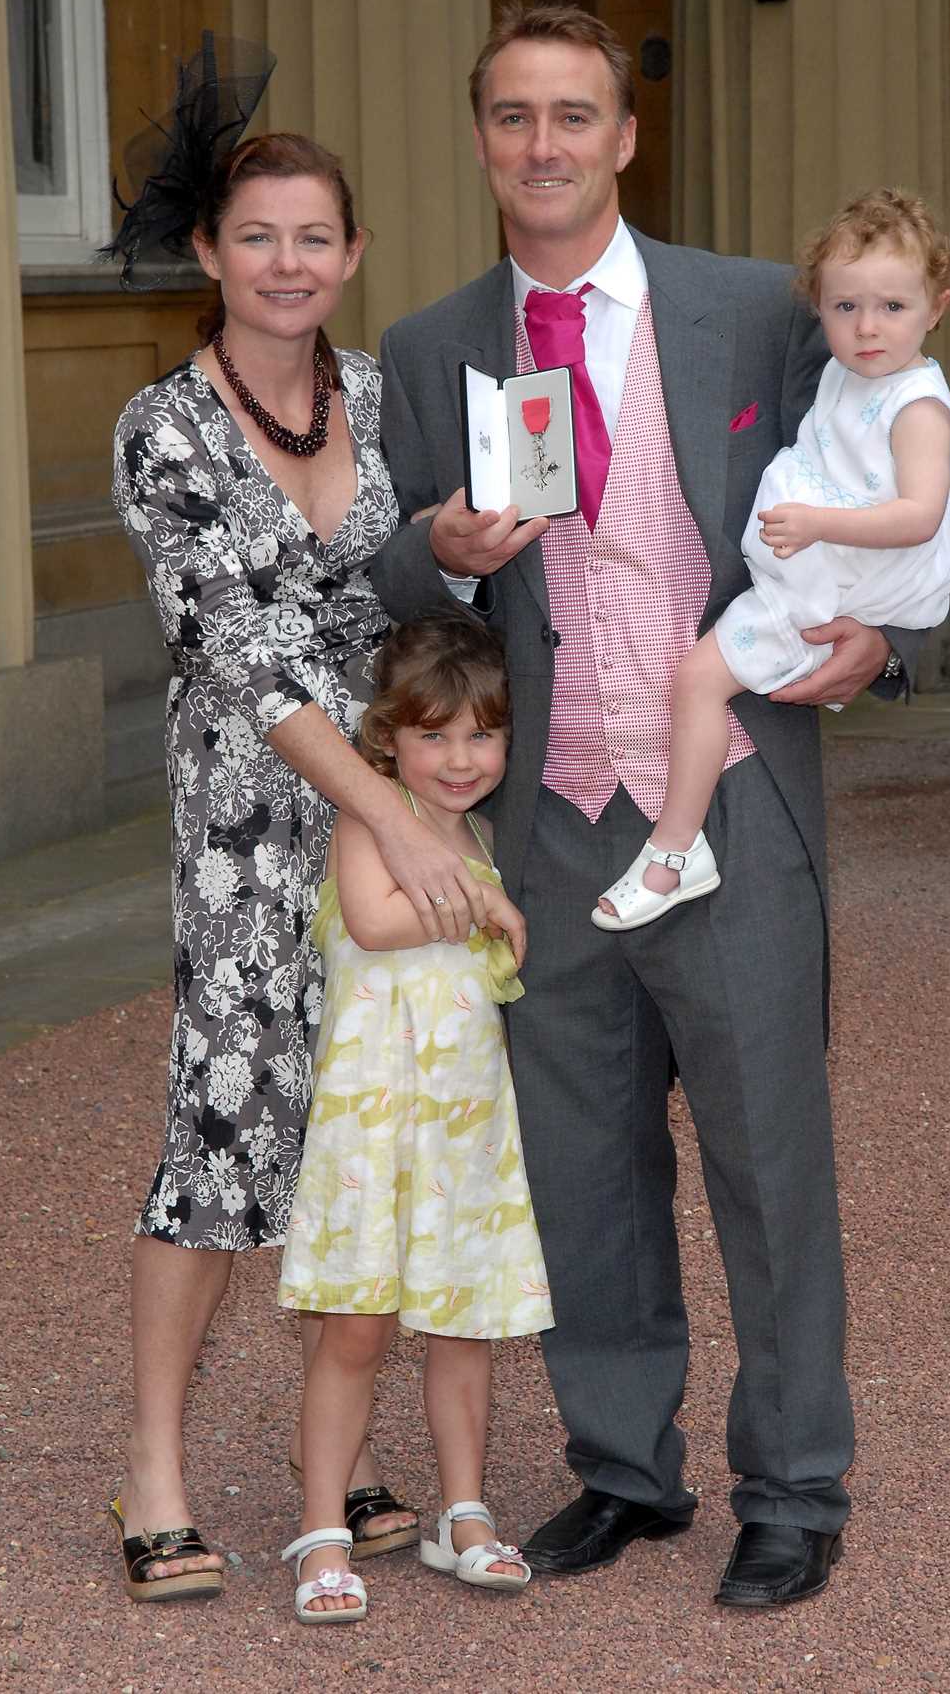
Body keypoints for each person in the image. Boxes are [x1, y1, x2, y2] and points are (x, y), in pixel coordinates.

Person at [370, 2, 929, 1608]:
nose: (542, 146)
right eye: (513, 117)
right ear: (481, 137)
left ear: (625, 137)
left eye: (574, 116)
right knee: (583, 1166)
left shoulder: (756, 310)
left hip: (733, 799)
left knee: (770, 1161)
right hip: (550, 814)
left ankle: (795, 1486)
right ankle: (624, 1465)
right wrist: (441, 553)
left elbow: (914, 450)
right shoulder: (429, 345)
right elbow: (401, 598)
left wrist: (885, 637)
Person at [107, 83, 489, 1601]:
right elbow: (246, 654)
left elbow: (406, 595)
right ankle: (153, 1474)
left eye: (312, 238)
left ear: (353, 250)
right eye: (255, 237)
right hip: (259, 825)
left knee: (361, 1122)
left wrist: (448, 552)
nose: (285, 262)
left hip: (398, 807)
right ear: (210, 250)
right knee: (223, 1131)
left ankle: (331, 1454)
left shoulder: (386, 396)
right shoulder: (166, 429)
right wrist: (391, 806)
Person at [596, 188, 950, 928]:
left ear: (937, 307)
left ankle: (673, 855)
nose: (867, 328)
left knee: (698, 679)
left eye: (893, 308)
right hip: (817, 555)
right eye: (844, 307)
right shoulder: (848, 371)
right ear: (818, 307)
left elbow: (919, 515)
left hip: (840, 568)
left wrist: (813, 523)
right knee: (701, 680)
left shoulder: (917, 406)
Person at [275, 613, 550, 1622]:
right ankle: (321, 1528)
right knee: (355, 1324)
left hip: (458, 1121)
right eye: (433, 735)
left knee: (464, 1319)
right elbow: (373, 920)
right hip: (371, 1123)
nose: (459, 758)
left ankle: (464, 1511)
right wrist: (485, 907)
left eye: (481, 734)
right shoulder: (375, 816)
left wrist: (492, 904)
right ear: (388, 737)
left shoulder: (478, 833)